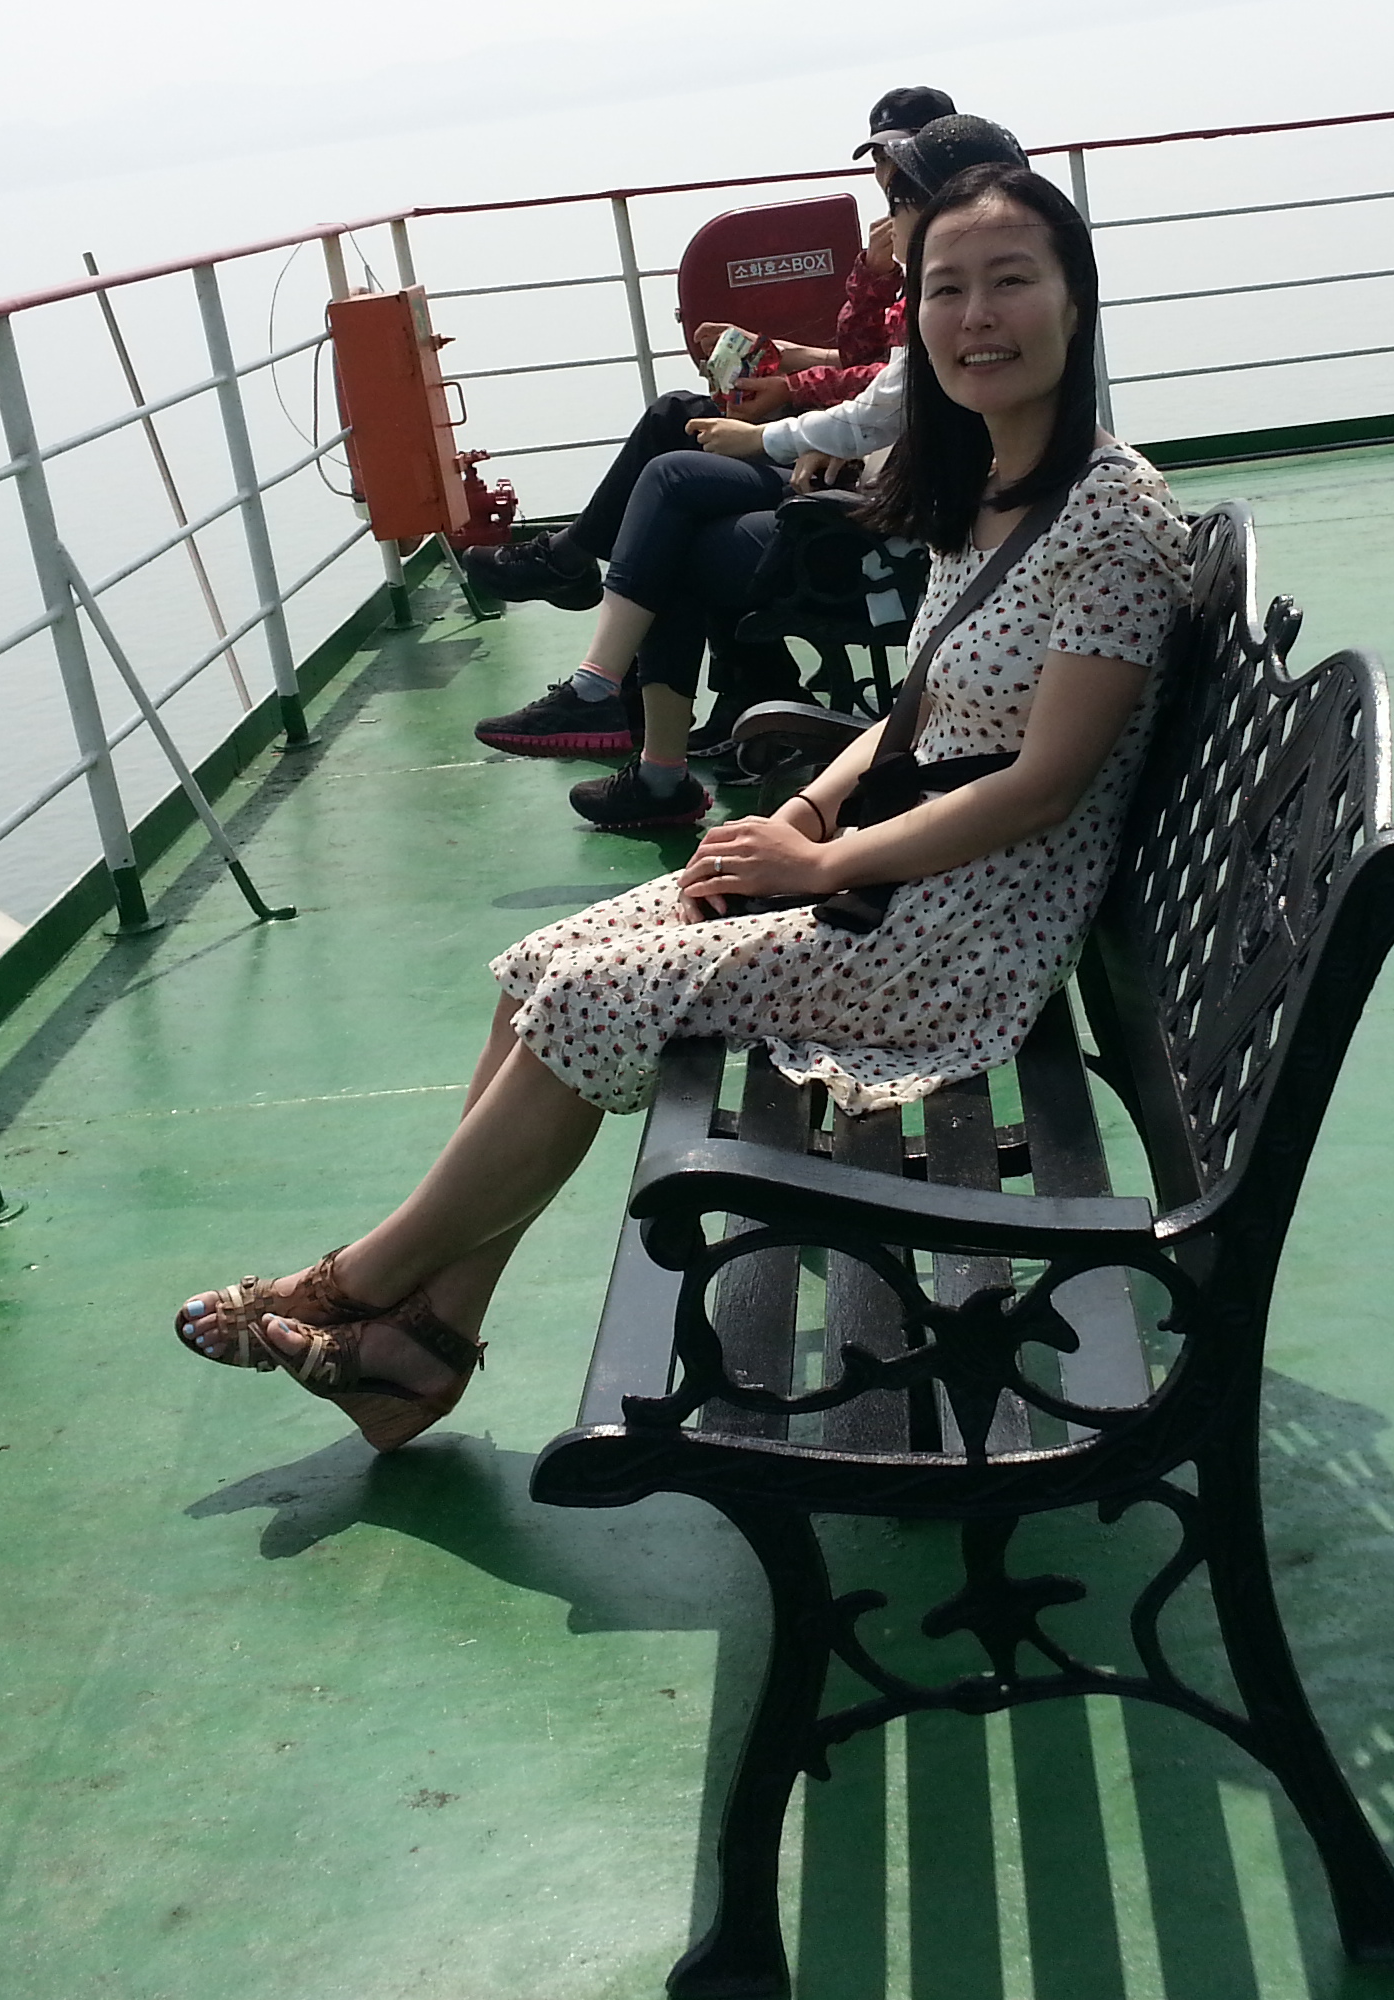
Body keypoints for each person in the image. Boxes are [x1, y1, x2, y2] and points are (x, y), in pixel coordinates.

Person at [171, 162, 1191, 1452]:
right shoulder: (984, 489)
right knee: (540, 972)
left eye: (1010, 282)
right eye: (947, 289)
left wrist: (821, 868)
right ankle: (427, 1340)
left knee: (592, 999)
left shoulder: (1109, 518)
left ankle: (357, 1284)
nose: (976, 317)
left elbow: (1042, 787)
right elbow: (921, 713)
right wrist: (807, 814)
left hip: (961, 934)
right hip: (899, 876)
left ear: (1075, 302)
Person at [475, 114, 1034, 835]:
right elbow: (879, 385)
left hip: (885, 530)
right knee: (673, 466)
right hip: (870, 485)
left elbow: (885, 404)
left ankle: (637, 737)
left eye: (902, 196)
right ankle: (623, 707)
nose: (889, 210)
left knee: (672, 505)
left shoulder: (951, 303)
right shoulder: (937, 292)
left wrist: (772, 430)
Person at [458, 83, 955, 612]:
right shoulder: (903, 245)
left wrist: (790, 390)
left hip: (864, 462)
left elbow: (895, 386)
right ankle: (569, 561)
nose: (889, 170)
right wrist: (867, 281)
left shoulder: (947, 256)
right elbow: (868, 359)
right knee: (675, 419)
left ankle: (568, 565)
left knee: (675, 474)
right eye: (880, 156)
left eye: (901, 153)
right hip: (854, 438)